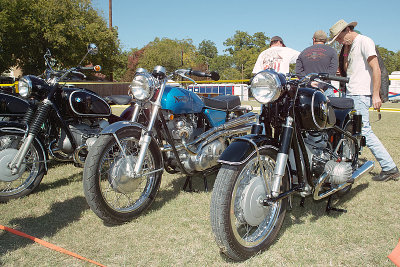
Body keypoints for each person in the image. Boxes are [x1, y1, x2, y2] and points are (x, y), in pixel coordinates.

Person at [328, 19, 399, 181]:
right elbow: (349, 69)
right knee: (348, 130)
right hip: (351, 93)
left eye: (339, 38)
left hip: (361, 94)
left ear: (347, 29)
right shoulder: (349, 47)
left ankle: (389, 167)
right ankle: (347, 163)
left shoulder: (364, 41)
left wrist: (375, 94)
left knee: (364, 130)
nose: (339, 41)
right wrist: (344, 53)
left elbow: (376, 68)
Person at [295, 30, 338, 97]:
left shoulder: (303, 52)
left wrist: (310, 83)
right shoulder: (332, 52)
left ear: (314, 39)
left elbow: (298, 71)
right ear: (325, 40)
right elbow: (332, 71)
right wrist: (320, 85)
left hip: (308, 91)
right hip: (326, 90)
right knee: (331, 107)